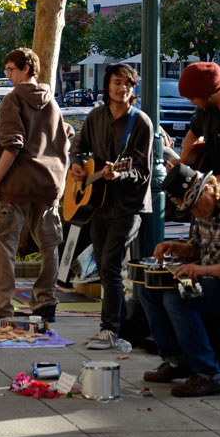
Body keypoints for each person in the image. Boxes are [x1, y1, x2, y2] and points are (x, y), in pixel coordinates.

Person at [0, 48, 71, 323]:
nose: (7, 74)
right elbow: (67, 136)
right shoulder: (52, 102)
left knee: (1, 242)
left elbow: (12, 146)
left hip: (17, 186)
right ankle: (46, 302)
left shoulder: (13, 99)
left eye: (11, 69)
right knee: (50, 245)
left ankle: (0, 305)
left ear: (26, 68)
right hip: (49, 184)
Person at [142, 163, 220, 396]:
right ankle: (177, 361)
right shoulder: (202, 209)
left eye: (194, 207)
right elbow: (196, 247)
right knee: (149, 290)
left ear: (208, 189)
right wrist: (175, 247)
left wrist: (202, 271)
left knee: (177, 299)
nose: (194, 214)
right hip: (211, 281)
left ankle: (209, 374)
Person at [68, 64, 153, 348]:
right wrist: (77, 165)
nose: (122, 88)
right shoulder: (96, 116)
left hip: (128, 206)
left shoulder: (140, 123)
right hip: (99, 205)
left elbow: (143, 171)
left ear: (133, 88)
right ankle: (122, 323)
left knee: (111, 266)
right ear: (108, 86)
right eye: (117, 83)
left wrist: (121, 173)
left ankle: (110, 330)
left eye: (128, 84)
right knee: (104, 269)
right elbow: (77, 147)